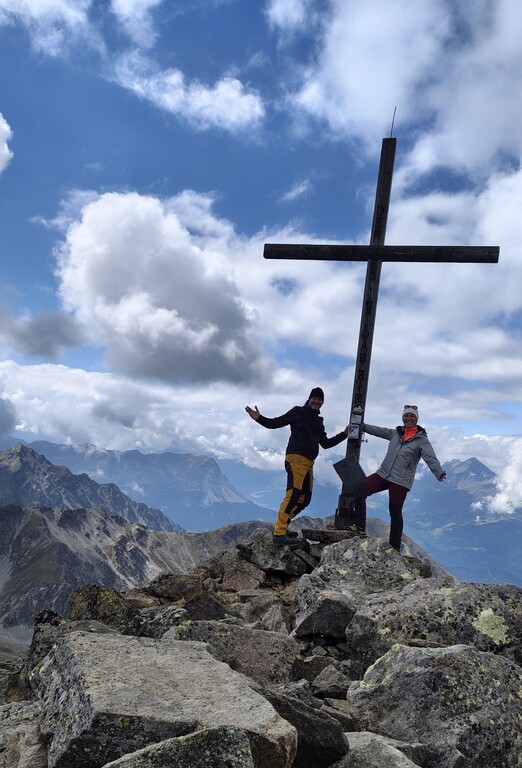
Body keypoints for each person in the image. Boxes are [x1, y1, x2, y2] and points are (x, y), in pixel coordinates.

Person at [245, 387, 348, 546]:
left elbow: (326, 444)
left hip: (309, 463)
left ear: (322, 403)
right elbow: (275, 423)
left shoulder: (318, 421)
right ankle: (279, 533)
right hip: (295, 458)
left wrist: (344, 434)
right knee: (294, 494)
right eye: (314, 398)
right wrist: (259, 418)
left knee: (305, 499)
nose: (317, 401)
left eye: (320, 399)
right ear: (309, 399)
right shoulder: (298, 412)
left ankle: (283, 525)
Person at [354, 405, 446, 552]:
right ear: (403, 417)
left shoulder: (422, 440)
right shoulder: (396, 433)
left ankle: (394, 547)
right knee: (360, 489)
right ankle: (359, 526)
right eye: (406, 416)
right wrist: (362, 426)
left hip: (400, 481)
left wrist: (438, 472)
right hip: (384, 474)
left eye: (412, 416)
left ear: (416, 419)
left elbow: (430, 457)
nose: (408, 418)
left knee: (395, 511)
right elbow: (379, 431)